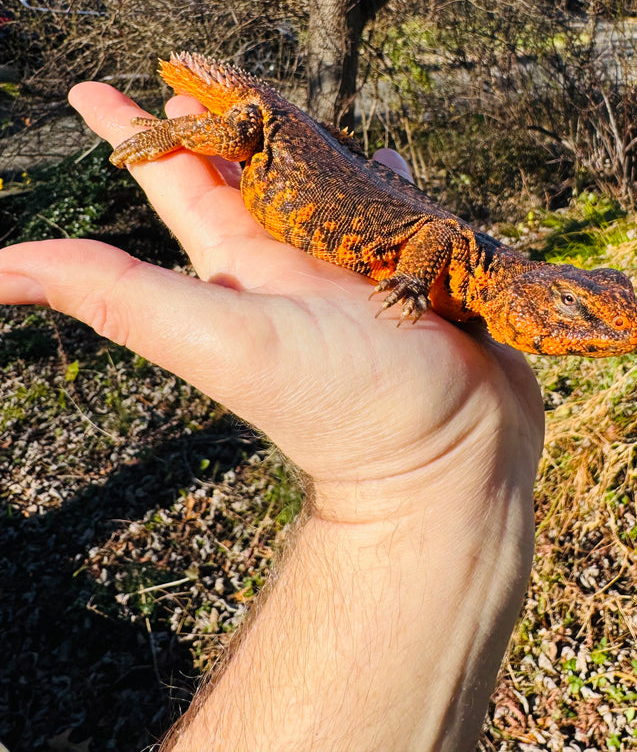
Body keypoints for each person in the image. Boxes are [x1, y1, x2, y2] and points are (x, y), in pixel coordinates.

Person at [0, 80, 545, 752]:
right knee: (224, 134)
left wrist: (433, 472)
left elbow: (440, 239)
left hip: (316, 163)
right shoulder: (462, 258)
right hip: (273, 130)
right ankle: (181, 131)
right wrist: (176, 137)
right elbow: (435, 232)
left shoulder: (483, 288)